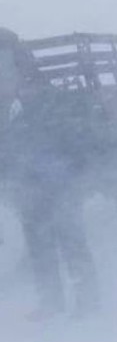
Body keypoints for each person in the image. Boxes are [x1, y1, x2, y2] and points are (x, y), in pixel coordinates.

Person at [5, 76, 99, 320]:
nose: (23, 91)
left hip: (60, 196)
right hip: (32, 199)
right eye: (23, 86)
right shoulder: (19, 119)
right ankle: (51, 302)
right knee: (42, 252)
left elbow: (79, 153)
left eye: (28, 86)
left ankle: (86, 302)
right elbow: (7, 156)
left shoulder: (55, 116)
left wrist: (70, 184)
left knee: (72, 248)